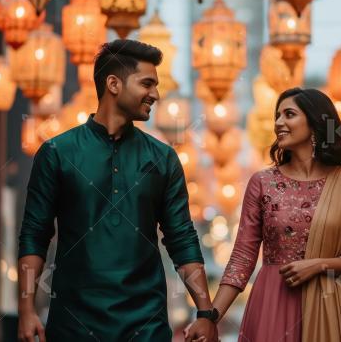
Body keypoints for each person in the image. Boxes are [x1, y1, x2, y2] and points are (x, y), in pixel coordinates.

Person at [17, 39, 218, 341]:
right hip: (73, 325)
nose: (156, 94)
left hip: (145, 326)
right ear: (113, 84)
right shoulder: (57, 153)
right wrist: (26, 310)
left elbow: (182, 239)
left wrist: (205, 313)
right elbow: (34, 235)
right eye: (147, 83)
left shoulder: (163, 159)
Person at [211, 87, 341, 341]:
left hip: (331, 306)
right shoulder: (262, 182)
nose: (279, 123)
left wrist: (321, 264)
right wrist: (210, 316)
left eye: (289, 114)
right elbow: (242, 257)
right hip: (274, 299)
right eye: (277, 116)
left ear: (316, 123)